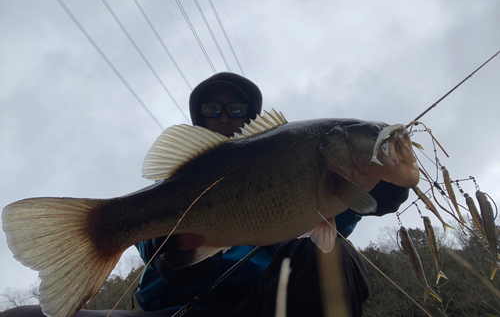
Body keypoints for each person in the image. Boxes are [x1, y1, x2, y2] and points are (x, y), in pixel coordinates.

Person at [1, 73, 408, 317]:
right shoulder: (177, 184)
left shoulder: (320, 178)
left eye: (238, 110)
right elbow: (156, 254)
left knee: (328, 254)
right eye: (213, 110)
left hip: (266, 307)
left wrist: (384, 190)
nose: (227, 118)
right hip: (177, 312)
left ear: (252, 119)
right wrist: (175, 256)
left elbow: (343, 217)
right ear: (198, 121)